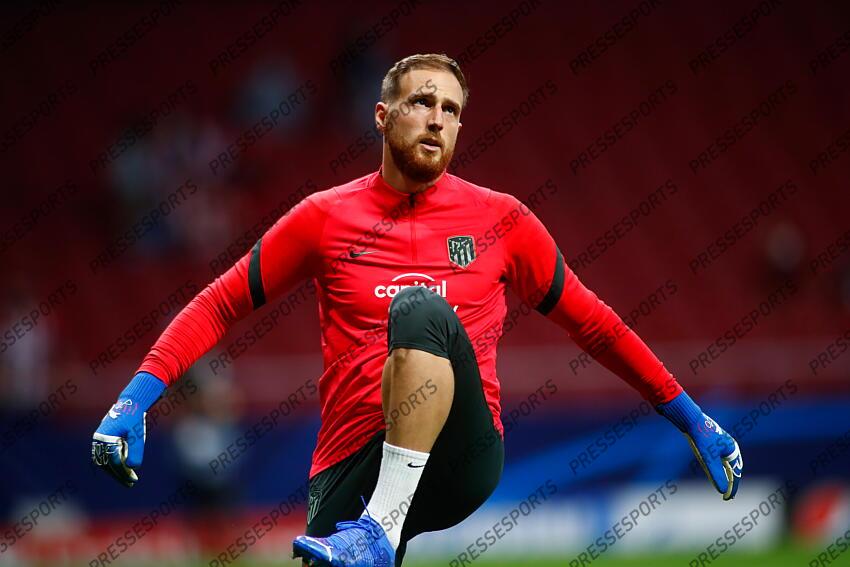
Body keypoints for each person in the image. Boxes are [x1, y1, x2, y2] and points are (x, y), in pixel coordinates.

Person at [91, 54, 743, 567]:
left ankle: (380, 528)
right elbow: (219, 302)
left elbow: (594, 321)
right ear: (380, 116)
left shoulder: (502, 220)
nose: (437, 118)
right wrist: (134, 398)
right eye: (422, 102)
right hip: (347, 462)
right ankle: (373, 528)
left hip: (460, 455)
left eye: (451, 109)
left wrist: (690, 416)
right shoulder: (323, 217)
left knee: (418, 310)